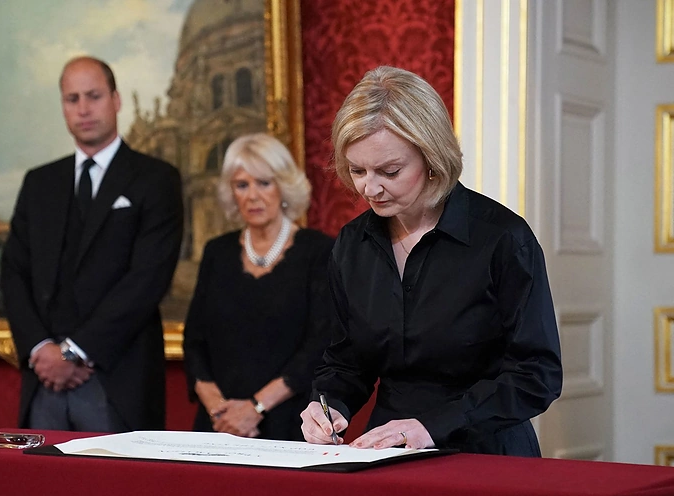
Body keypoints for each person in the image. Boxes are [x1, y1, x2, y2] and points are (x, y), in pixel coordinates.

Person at [300, 66, 562, 456]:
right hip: (386, 456)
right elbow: (345, 361)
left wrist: (432, 426)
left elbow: (536, 376)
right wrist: (327, 405)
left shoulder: (503, 239)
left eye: (390, 171)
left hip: (487, 454)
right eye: (357, 170)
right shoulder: (352, 245)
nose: (370, 188)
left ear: (432, 157)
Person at [0, 56, 183, 432]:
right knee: (39, 490)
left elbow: (147, 279)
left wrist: (74, 352)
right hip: (44, 380)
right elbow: (14, 271)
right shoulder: (39, 183)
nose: (83, 109)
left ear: (116, 100)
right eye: (72, 99)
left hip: (117, 379)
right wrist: (41, 351)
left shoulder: (156, 179)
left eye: (94, 96)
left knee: (117, 491)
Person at [183, 133, 334, 440]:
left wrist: (254, 408)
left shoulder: (318, 252)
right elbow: (194, 343)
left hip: (290, 424)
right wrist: (220, 412)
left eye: (264, 183)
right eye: (242, 185)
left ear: (284, 187)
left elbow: (320, 347)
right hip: (218, 426)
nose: (252, 195)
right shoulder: (217, 252)